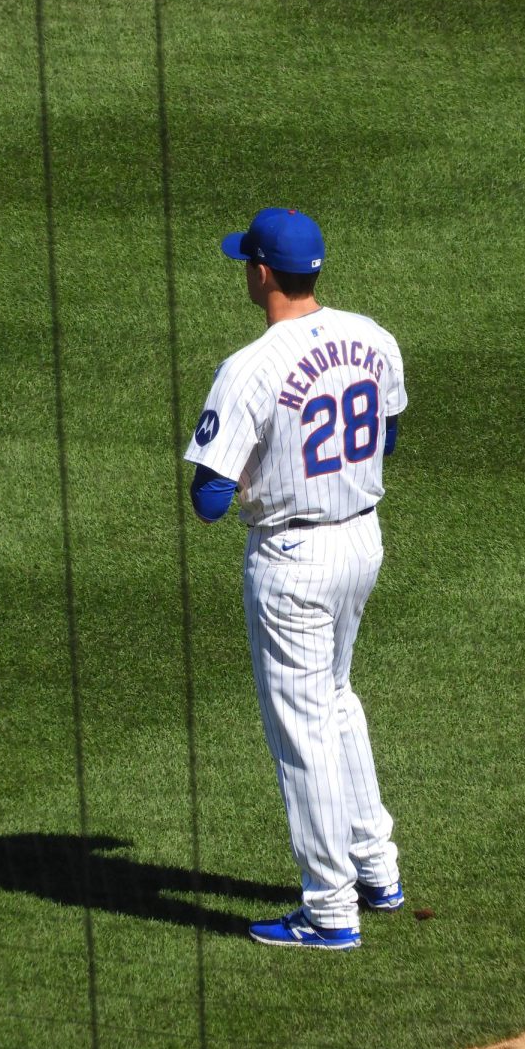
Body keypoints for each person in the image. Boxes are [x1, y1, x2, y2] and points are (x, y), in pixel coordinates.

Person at [183, 207, 407, 950]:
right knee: (338, 701)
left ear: (263, 273)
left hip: (293, 562)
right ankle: (377, 868)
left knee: (303, 732)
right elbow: (389, 433)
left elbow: (209, 501)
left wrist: (259, 476)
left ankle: (330, 908)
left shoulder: (249, 367)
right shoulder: (373, 336)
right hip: (363, 541)